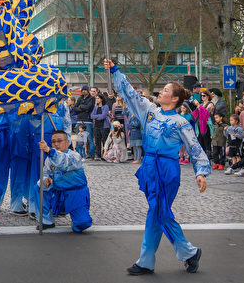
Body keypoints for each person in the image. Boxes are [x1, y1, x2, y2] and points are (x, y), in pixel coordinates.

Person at [104, 59, 210, 276]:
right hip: (150, 165)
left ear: (175, 98)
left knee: (158, 211)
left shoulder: (180, 122)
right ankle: (156, 258)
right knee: (156, 212)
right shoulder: (150, 111)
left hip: (167, 168)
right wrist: (115, 71)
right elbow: (130, 93)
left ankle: (181, 253)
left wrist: (201, 172)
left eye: (165, 90)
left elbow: (195, 148)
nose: (160, 92)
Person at [35, 130, 92, 232]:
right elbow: (45, 173)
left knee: (82, 224)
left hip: (75, 194)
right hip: (58, 193)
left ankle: (77, 216)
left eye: (59, 141)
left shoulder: (75, 156)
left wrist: (49, 151)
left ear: (67, 142)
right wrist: (45, 179)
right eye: (53, 141)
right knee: (39, 187)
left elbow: (64, 163)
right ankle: (46, 220)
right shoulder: (49, 159)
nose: (56, 144)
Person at [72, 85, 96, 158]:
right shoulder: (80, 98)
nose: (83, 91)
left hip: (88, 120)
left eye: (85, 90)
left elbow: (89, 107)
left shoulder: (92, 98)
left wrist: (80, 107)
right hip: (79, 120)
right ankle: (79, 154)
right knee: (79, 139)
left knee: (90, 138)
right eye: (82, 90)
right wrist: (83, 108)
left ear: (87, 90)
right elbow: (74, 108)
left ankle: (92, 154)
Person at [91, 93, 109, 160]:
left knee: (104, 141)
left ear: (101, 99)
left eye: (98, 98)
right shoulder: (96, 107)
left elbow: (103, 116)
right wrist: (98, 117)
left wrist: (96, 117)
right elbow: (92, 115)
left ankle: (105, 155)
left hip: (104, 126)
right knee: (97, 141)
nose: (97, 100)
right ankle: (98, 155)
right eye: (96, 98)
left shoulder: (105, 106)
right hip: (96, 126)